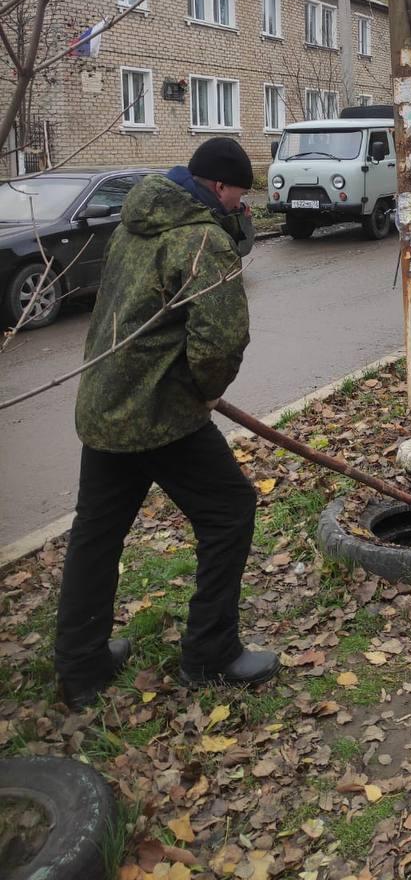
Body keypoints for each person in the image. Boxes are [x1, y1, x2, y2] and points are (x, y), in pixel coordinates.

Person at [54, 137, 279, 709]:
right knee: (230, 510)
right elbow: (220, 341)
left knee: (96, 535)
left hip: (103, 404)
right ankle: (211, 654)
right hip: (160, 414)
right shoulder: (203, 239)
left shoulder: (135, 221)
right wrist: (202, 394)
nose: (239, 207)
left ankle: (81, 667)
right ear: (221, 187)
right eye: (239, 195)